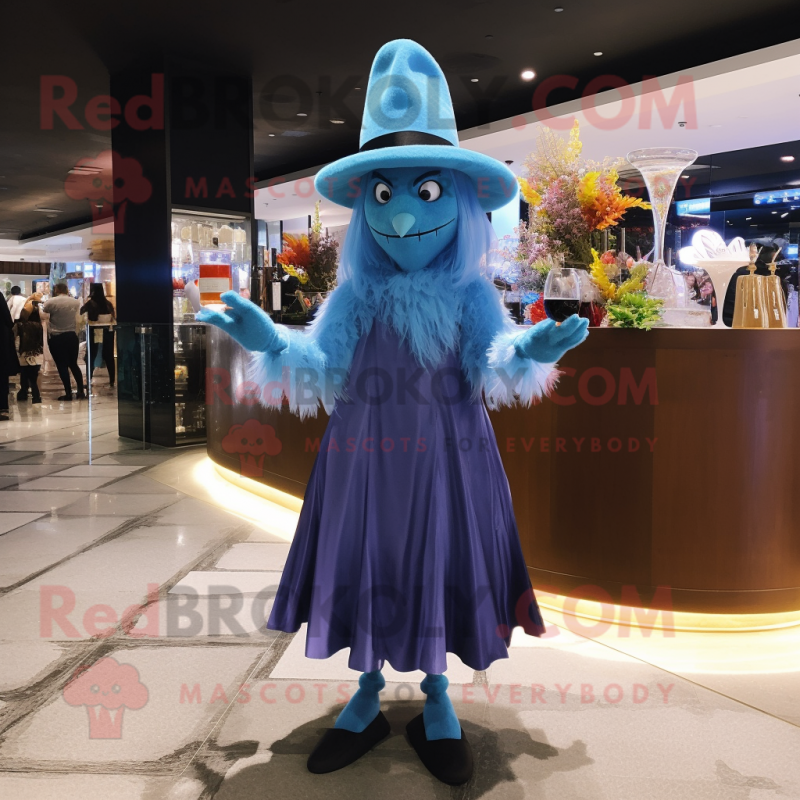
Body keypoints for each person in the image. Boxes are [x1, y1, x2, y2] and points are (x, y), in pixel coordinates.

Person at [199, 39, 589, 786]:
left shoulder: (471, 294)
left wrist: (534, 346)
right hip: (362, 460)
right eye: (384, 194)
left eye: (426, 192)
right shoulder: (355, 295)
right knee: (367, 556)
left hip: (451, 458)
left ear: (460, 201)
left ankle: (438, 694)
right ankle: (368, 690)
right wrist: (265, 338)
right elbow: (318, 365)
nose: (403, 214)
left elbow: (496, 361)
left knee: (441, 557)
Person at [43, 283, 85, 401]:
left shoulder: (50, 302)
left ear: (56, 290)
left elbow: (44, 315)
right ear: (67, 290)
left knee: (62, 365)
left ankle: (68, 393)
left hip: (56, 337)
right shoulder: (75, 302)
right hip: (71, 336)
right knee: (73, 364)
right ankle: (81, 391)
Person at [80, 283, 116, 387]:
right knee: (109, 356)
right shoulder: (108, 304)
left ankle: (89, 378)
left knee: (91, 354)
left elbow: (81, 312)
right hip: (108, 332)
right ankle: (112, 380)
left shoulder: (90, 303)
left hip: (94, 331)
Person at [13, 293, 44, 404]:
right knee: (33, 375)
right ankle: (35, 395)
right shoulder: (39, 326)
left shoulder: (20, 325)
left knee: (25, 373)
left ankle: (25, 393)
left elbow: (14, 338)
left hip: (23, 353)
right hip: (37, 353)